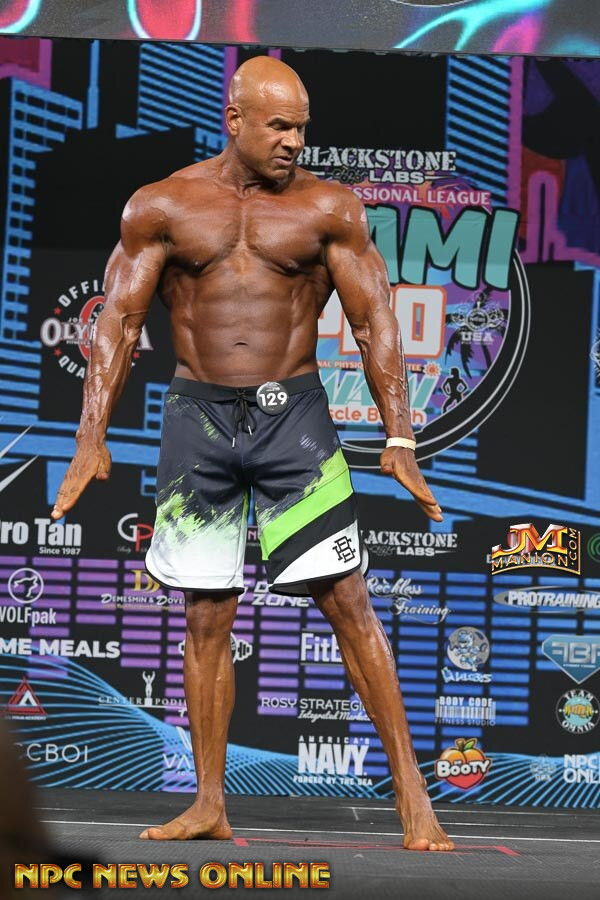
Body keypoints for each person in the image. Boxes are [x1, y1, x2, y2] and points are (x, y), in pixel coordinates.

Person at [52, 56, 453, 852]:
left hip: (292, 420)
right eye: (279, 126)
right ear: (234, 119)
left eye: (302, 127)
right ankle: (208, 802)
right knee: (205, 614)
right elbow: (118, 324)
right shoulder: (163, 204)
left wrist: (400, 437)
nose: (294, 142)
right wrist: (89, 436)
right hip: (197, 421)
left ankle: (414, 796)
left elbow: (374, 321)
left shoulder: (328, 208)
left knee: (347, 601)